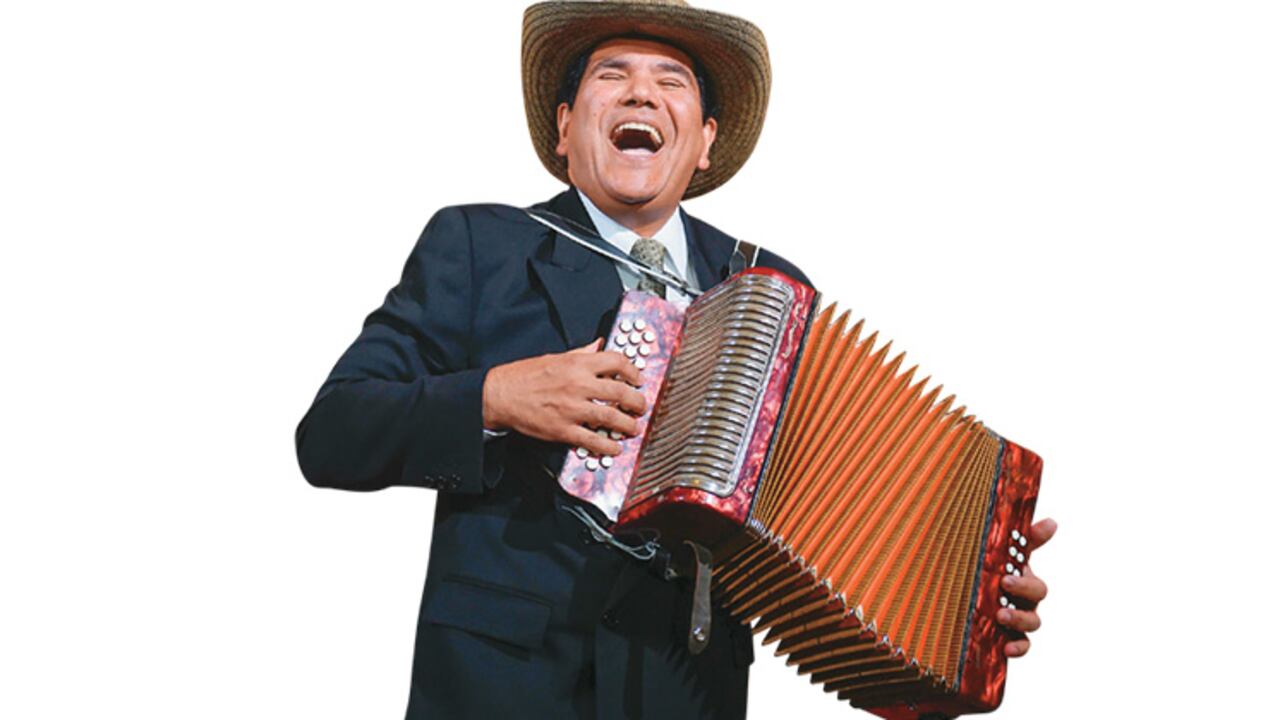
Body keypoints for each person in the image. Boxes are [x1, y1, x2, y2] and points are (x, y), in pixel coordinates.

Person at [295, 1, 1056, 717]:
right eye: (612, 74)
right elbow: (330, 433)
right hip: (506, 687)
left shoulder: (770, 288)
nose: (641, 94)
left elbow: (846, 493)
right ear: (564, 128)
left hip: (688, 691)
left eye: (671, 80)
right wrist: (496, 397)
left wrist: (964, 590)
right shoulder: (479, 245)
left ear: (706, 141)